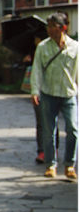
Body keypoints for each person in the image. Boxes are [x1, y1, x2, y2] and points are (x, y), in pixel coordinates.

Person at [30, 12, 78, 179]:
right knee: (49, 131)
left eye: (53, 26)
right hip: (48, 94)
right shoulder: (43, 47)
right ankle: (51, 165)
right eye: (48, 26)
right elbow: (36, 70)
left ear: (63, 28)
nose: (49, 29)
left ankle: (70, 165)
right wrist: (35, 91)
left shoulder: (75, 47)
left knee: (73, 129)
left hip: (69, 94)